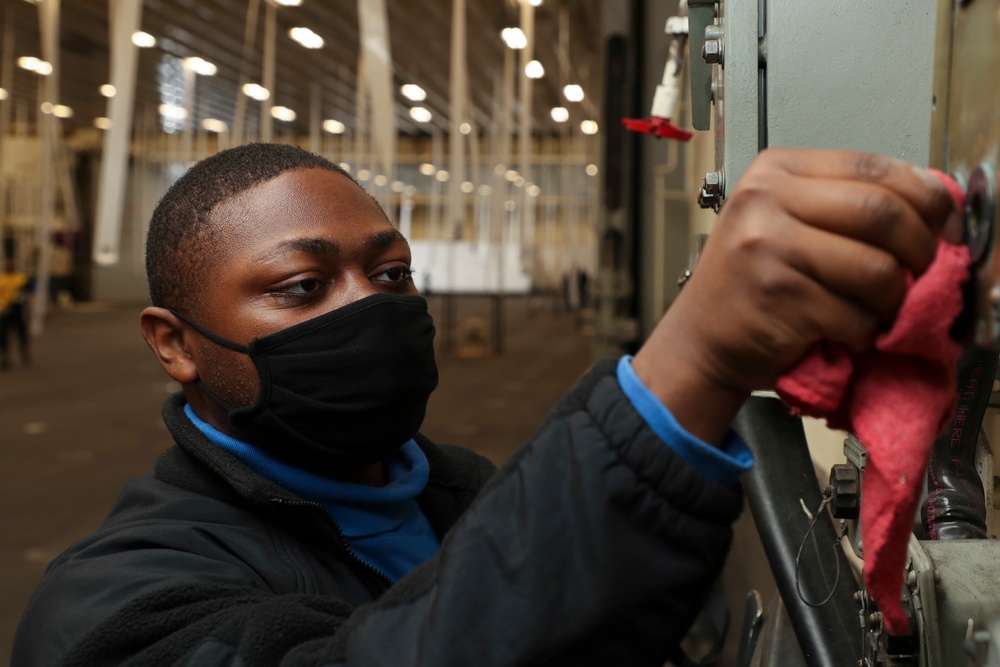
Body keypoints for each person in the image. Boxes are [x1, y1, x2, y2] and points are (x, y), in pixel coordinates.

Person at [13, 143, 956, 666]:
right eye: (302, 287)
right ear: (174, 342)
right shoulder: (113, 605)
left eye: (390, 273)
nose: (371, 307)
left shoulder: (462, 490)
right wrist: (691, 362)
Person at [0, 257, 31, 369]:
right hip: (4, 311)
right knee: (3, 335)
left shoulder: (21, 278)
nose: (9, 267)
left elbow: (27, 291)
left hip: (17, 310)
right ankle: (5, 357)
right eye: (7, 265)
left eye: (11, 265)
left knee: (21, 333)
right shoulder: (1, 279)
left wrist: (22, 298)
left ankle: (24, 353)